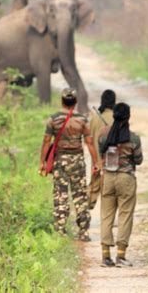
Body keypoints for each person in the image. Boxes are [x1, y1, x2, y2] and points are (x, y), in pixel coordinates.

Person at [39, 88, 99, 241]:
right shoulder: (82, 120)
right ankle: (83, 232)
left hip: (60, 161)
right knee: (80, 196)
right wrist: (96, 163)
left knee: (61, 196)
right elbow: (90, 143)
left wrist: (42, 163)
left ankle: (61, 231)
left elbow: (46, 142)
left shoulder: (53, 119)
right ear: (76, 101)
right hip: (77, 161)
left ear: (62, 101)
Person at [98, 103, 143, 267]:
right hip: (126, 179)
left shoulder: (104, 136)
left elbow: (100, 151)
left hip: (108, 179)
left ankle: (105, 256)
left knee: (106, 216)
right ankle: (121, 256)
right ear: (128, 117)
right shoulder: (134, 138)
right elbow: (138, 160)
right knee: (125, 215)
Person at [88, 90, 116, 209]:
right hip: (112, 156)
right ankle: (109, 213)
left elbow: (89, 138)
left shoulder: (94, 118)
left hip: (96, 157)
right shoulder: (117, 117)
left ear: (102, 101)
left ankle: (85, 209)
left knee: (94, 183)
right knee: (110, 186)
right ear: (114, 101)